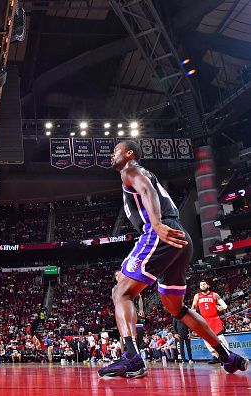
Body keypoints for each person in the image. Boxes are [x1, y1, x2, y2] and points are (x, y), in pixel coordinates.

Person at [98, 140, 248, 378]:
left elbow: (146, 189)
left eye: (115, 151)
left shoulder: (131, 169)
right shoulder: (139, 172)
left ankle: (131, 357)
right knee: (177, 309)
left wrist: (156, 225)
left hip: (161, 232)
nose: (111, 156)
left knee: (121, 293)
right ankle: (227, 356)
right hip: (180, 237)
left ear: (129, 154)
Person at [191, 280, 229, 364]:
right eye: (201, 285)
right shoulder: (197, 296)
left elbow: (225, 305)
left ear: (208, 285)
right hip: (204, 320)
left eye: (204, 284)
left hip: (215, 319)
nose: (203, 286)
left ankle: (227, 355)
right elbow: (193, 308)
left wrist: (221, 308)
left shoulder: (214, 295)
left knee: (220, 338)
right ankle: (216, 356)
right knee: (207, 339)